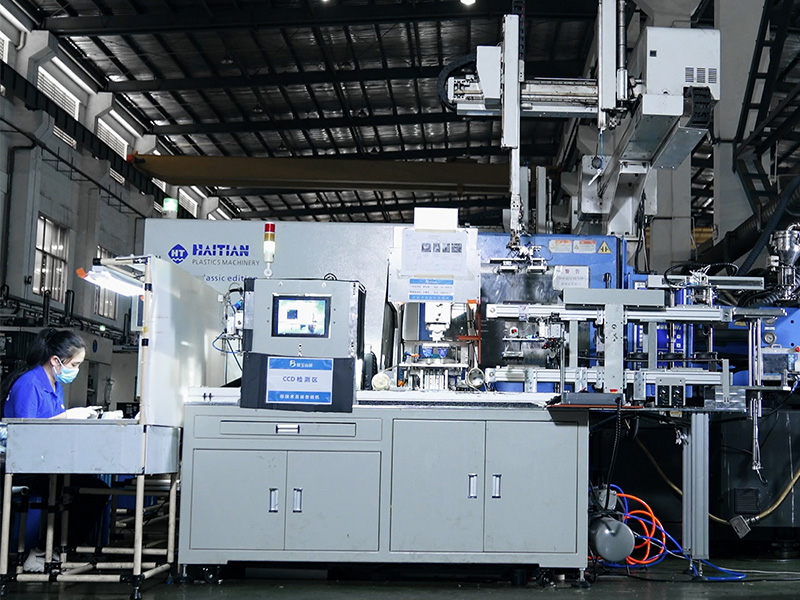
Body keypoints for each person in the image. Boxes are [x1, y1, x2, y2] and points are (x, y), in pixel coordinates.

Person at [1, 328, 107, 572]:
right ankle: (41, 552)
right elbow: (25, 432)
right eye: (75, 364)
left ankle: (56, 549)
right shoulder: (29, 384)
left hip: (44, 462)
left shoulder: (54, 384)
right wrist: (67, 416)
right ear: (56, 361)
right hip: (23, 465)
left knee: (95, 488)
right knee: (89, 492)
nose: (76, 370)